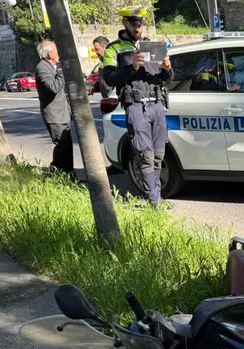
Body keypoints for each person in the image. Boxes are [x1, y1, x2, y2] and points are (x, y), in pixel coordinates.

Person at [101, 6, 174, 209]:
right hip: (135, 106)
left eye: (141, 25)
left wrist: (168, 70)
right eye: (134, 25)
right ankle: (155, 201)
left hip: (157, 105)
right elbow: (109, 79)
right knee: (145, 155)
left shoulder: (151, 46)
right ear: (125, 24)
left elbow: (165, 80)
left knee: (159, 155)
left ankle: (155, 196)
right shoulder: (113, 49)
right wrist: (131, 67)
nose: (138, 29)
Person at [34, 40, 74, 177]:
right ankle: (58, 173)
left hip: (63, 113)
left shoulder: (52, 66)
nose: (59, 54)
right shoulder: (42, 67)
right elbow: (54, 87)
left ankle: (69, 173)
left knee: (67, 146)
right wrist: (62, 71)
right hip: (55, 115)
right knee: (61, 146)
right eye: (56, 51)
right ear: (49, 54)